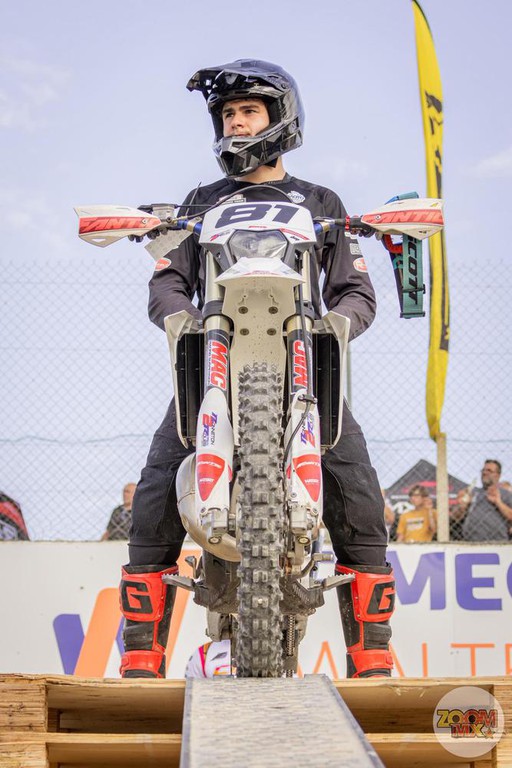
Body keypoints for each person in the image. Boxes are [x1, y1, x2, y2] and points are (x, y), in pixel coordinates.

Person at [119, 59, 395, 680]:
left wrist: (337, 326)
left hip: (306, 370)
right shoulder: (200, 202)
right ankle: (140, 657)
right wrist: (181, 321)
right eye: (228, 114)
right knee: (155, 497)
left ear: (280, 118)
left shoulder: (320, 202)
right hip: (211, 369)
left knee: (361, 499)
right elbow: (167, 282)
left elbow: (355, 289)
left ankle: (372, 655)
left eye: (248, 111)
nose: (236, 123)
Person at [451, 459, 512, 541]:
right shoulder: (473, 493)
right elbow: (455, 517)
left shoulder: (505, 494)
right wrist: (462, 506)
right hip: (471, 542)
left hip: (497, 542)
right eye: (483, 470)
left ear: (498, 475)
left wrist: (498, 502)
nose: (485, 473)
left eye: (489, 470)